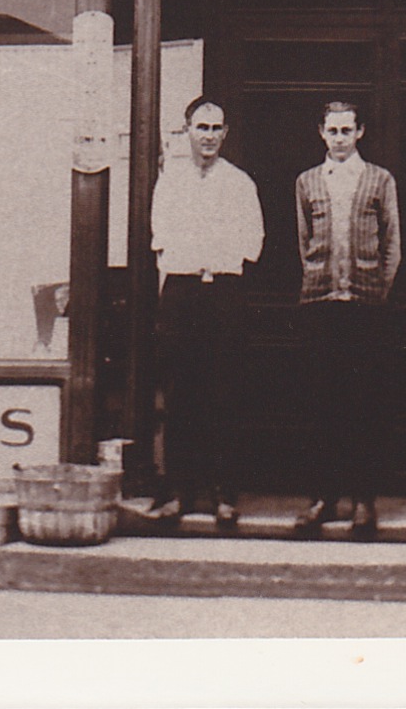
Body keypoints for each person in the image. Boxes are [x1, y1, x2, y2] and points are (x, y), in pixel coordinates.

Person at [146, 96, 263, 527]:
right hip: (182, 291)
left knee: (223, 394)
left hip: (224, 292)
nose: (209, 136)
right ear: (187, 130)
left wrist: (217, 258)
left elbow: (253, 242)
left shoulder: (239, 183)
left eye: (216, 128)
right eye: (202, 127)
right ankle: (179, 490)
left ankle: (223, 493)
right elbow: (162, 238)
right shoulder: (170, 182)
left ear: (225, 134)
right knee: (180, 394)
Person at [290, 100, 401, 540]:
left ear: (360, 132)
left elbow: (393, 243)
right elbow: (303, 242)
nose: (339, 138)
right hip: (320, 307)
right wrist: (321, 283)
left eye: (346, 130)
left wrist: (374, 291)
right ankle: (322, 498)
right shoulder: (307, 182)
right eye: (332, 130)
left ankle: (363, 501)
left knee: (363, 405)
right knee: (321, 404)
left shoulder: (379, 180)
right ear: (321, 132)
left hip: (365, 308)